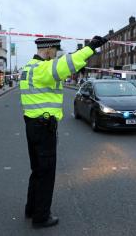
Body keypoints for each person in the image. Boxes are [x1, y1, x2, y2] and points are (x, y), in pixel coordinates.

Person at [20, 36, 108, 228]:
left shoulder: (28, 68)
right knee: (46, 173)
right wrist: (91, 47)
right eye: (56, 51)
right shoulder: (43, 69)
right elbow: (68, 62)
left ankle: (31, 208)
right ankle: (41, 217)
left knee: (37, 170)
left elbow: (66, 67)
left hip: (32, 125)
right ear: (49, 49)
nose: (57, 55)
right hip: (44, 128)